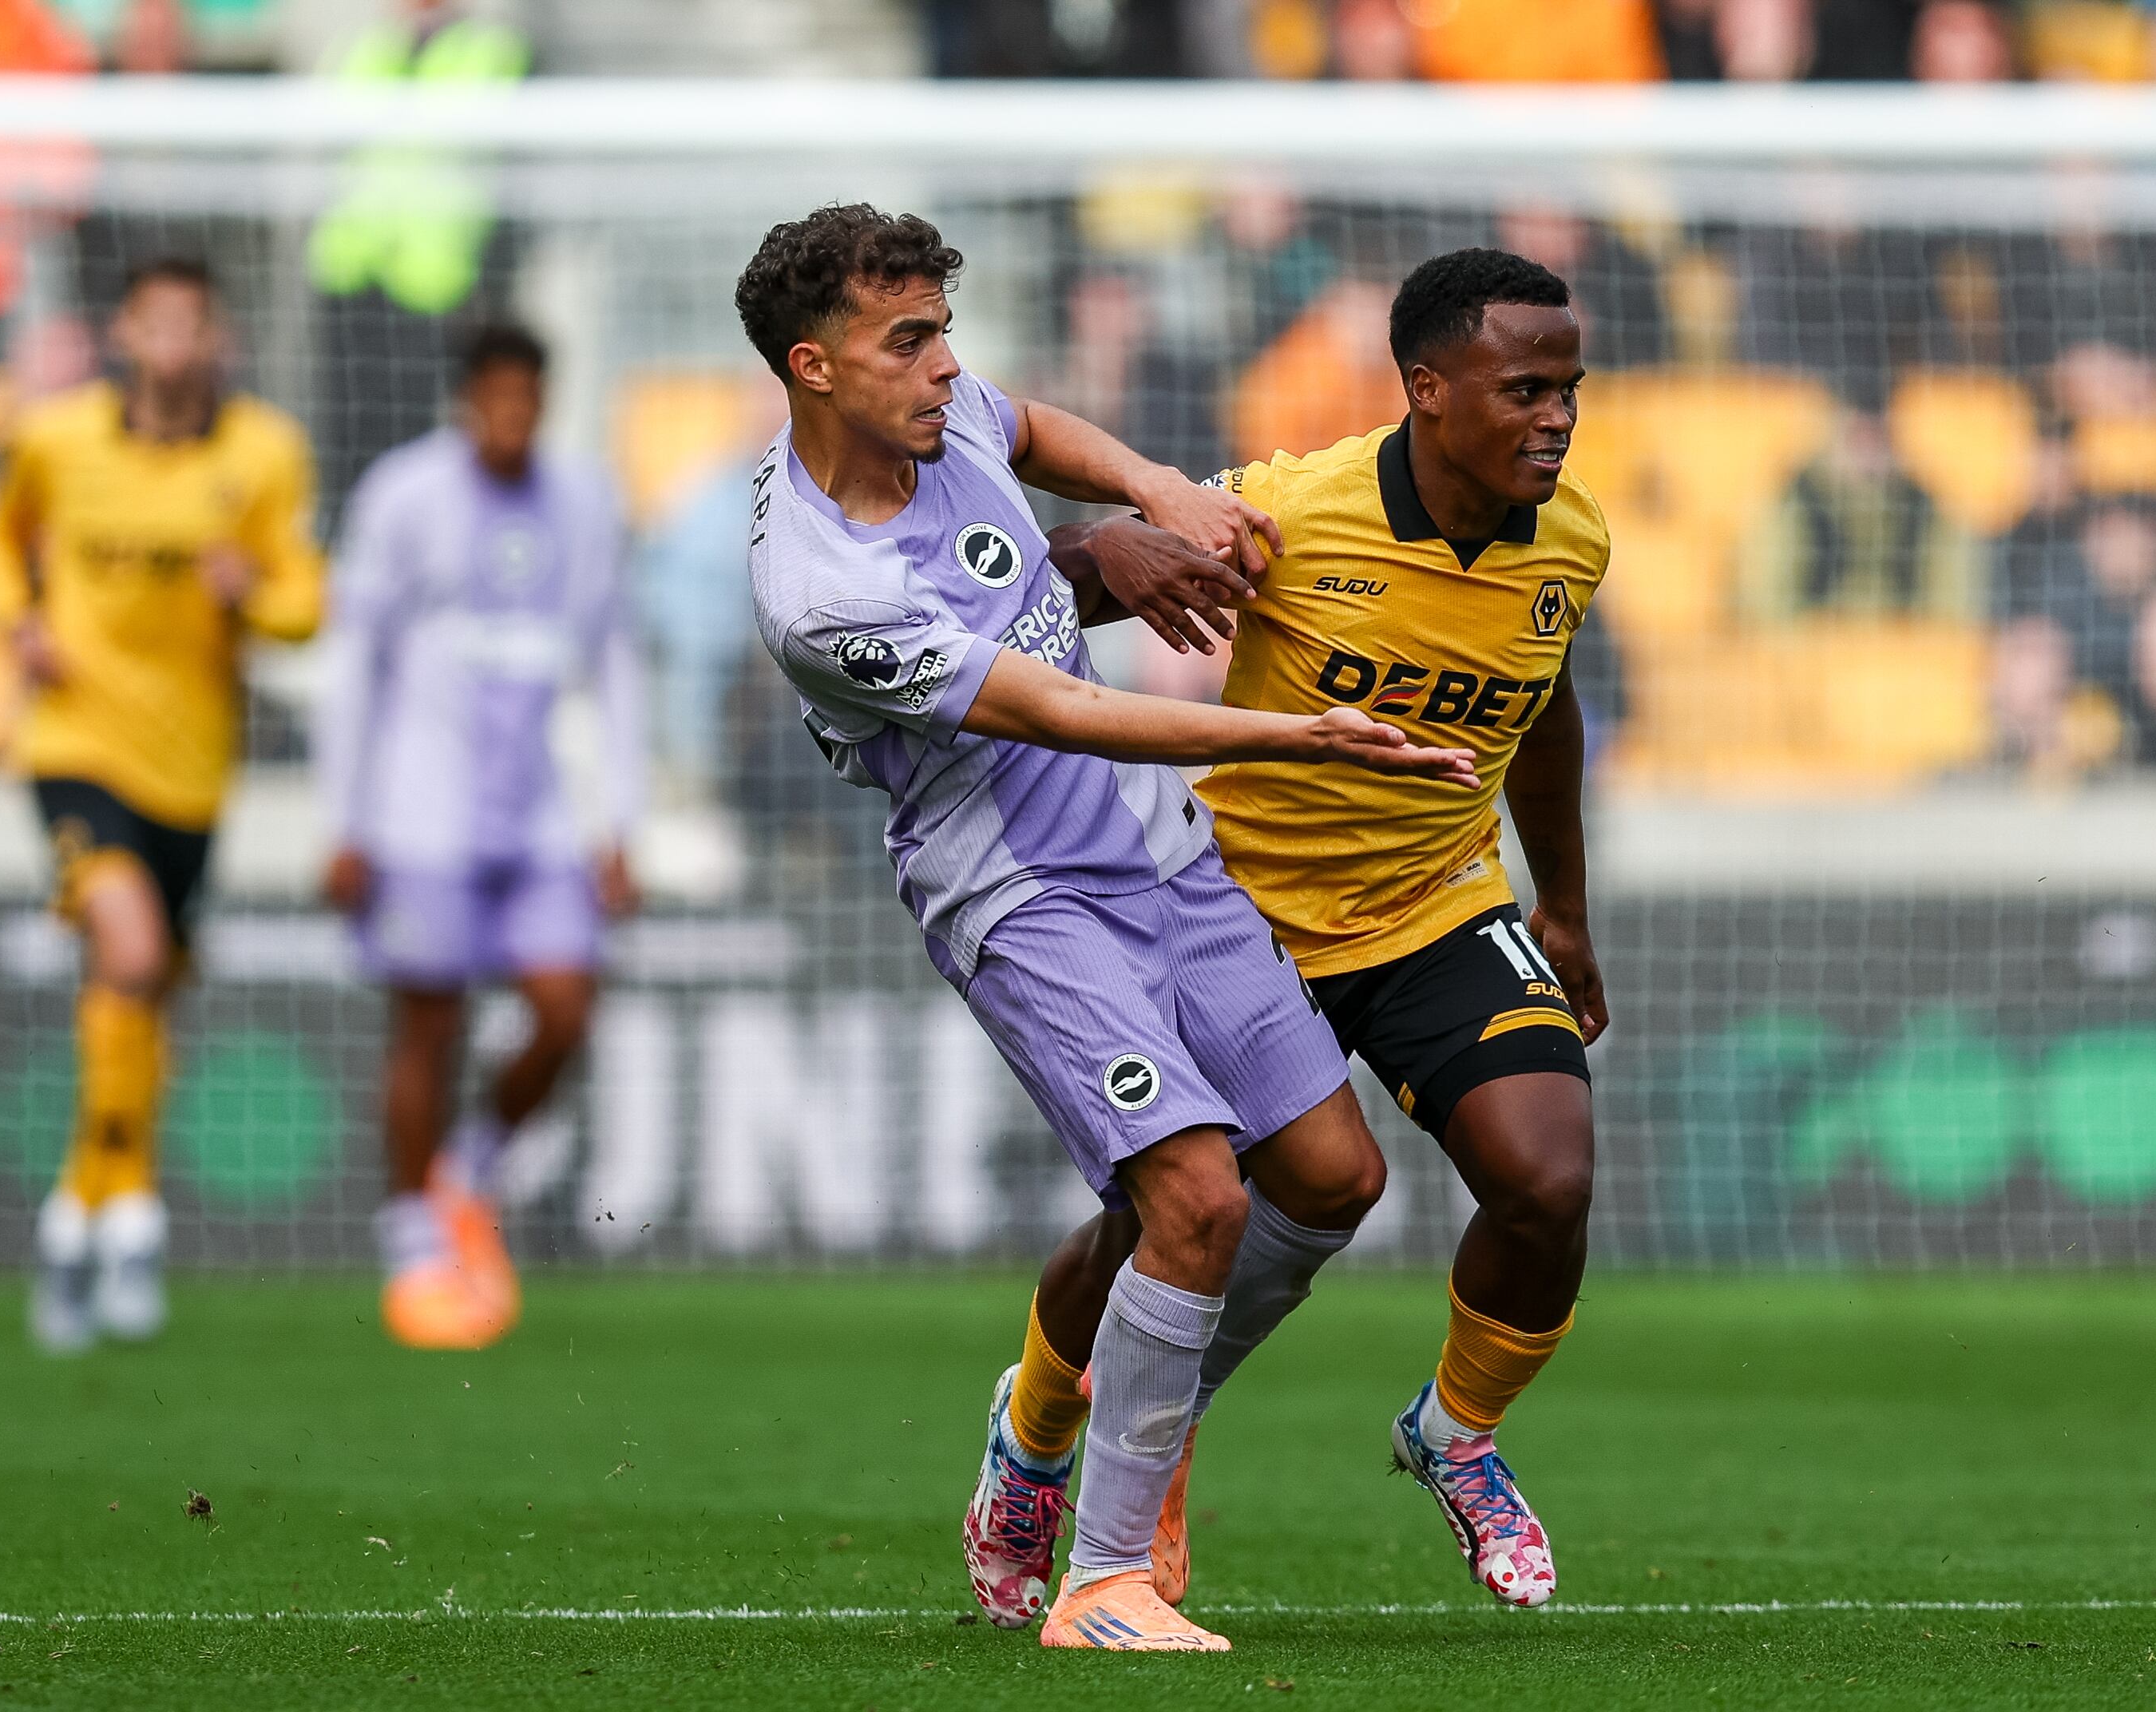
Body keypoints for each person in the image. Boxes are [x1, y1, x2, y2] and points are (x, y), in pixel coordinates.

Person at [736, 204, 1479, 1653]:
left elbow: (1030, 430)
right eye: (913, 340)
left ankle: (1082, 1406)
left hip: (1162, 855)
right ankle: (1104, 1576)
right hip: (1024, 894)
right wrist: (1298, 738)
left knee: (1327, 1176)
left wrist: (1153, 495)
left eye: (944, 328)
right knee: (1194, 1200)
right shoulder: (820, 590)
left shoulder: (930, 418)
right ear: (815, 366)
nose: (948, 364)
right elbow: (1061, 708)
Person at [1007, 248, 1613, 1612]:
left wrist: (1561, 906)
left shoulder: (1570, 537)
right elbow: (1040, 597)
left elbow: (1545, 702)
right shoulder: (1289, 509)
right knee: (1175, 1214)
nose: (1556, 417)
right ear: (1427, 390)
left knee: (1548, 1178)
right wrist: (1102, 543)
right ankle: (1041, 1417)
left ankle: (1455, 1434)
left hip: (1432, 903)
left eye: (1569, 388)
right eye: (1524, 388)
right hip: (1243, 908)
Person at [0, 256, 323, 1352]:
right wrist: (15, 620)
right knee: (127, 953)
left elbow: (306, 604)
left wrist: (254, 595)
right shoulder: (57, 437)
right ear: (124, 333)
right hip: (76, 744)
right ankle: (131, 1220)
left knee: (145, 994)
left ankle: (76, 1218)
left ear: (216, 337)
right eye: (155, 319)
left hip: (194, 769)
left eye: (194, 321)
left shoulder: (262, 452)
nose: (174, 339)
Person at [315, 325, 644, 1352]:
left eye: (527, 399)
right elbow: (352, 656)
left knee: (564, 1006)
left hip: (540, 812)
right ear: (465, 401)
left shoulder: (584, 501)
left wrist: (620, 819)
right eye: (493, 398)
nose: (510, 417)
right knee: (429, 1026)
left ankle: (467, 1172)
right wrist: (344, 817)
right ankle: (413, 1238)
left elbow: (618, 659)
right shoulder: (403, 496)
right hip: (420, 811)